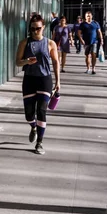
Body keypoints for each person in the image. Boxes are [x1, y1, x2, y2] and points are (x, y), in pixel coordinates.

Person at [16, 14, 61, 155]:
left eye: (38, 28)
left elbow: (55, 62)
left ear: (44, 27)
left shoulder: (50, 43)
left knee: (41, 110)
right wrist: (26, 61)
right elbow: (17, 61)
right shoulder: (25, 43)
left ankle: (39, 142)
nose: (35, 31)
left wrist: (58, 81)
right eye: (33, 29)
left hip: (44, 80)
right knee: (29, 114)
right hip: (29, 79)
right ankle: (33, 127)